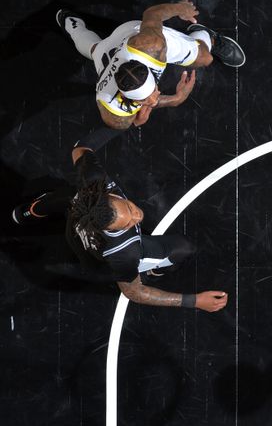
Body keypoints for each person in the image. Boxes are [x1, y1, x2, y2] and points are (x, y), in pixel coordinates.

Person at [12, 130, 228, 312]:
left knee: (67, 196)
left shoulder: (92, 181)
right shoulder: (124, 253)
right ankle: (153, 270)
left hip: (76, 230)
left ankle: (26, 213)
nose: (138, 216)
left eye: (130, 209)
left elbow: (80, 148)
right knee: (183, 248)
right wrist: (194, 301)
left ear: (108, 196)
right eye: (129, 222)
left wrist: (129, 119)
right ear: (112, 229)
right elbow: (134, 292)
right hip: (96, 260)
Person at [56, 0, 245, 129]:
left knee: (205, 59)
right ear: (123, 96)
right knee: (94, 49)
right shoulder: (112, 112)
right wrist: (175, 100)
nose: (154, 99)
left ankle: (207, 36)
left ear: (148, 72)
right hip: (108, 54)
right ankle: (70, 23)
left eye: (153, 92)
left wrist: (181, 8)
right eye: (145, 100)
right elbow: (136, 121)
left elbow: (152, 14)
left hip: (131, 34)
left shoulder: (150, 45)